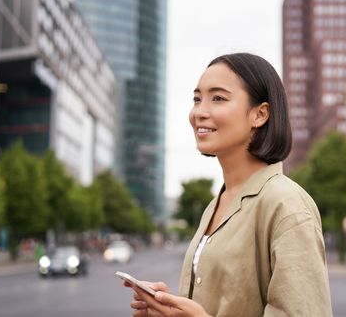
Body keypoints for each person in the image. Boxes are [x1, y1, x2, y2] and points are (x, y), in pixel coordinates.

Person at [125, 53, 333, 316]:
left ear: (260, 114)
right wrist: (169, 309)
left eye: (218, 98)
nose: (199, 112)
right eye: (197, 99)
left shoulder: (286, 204)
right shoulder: (216, 204)